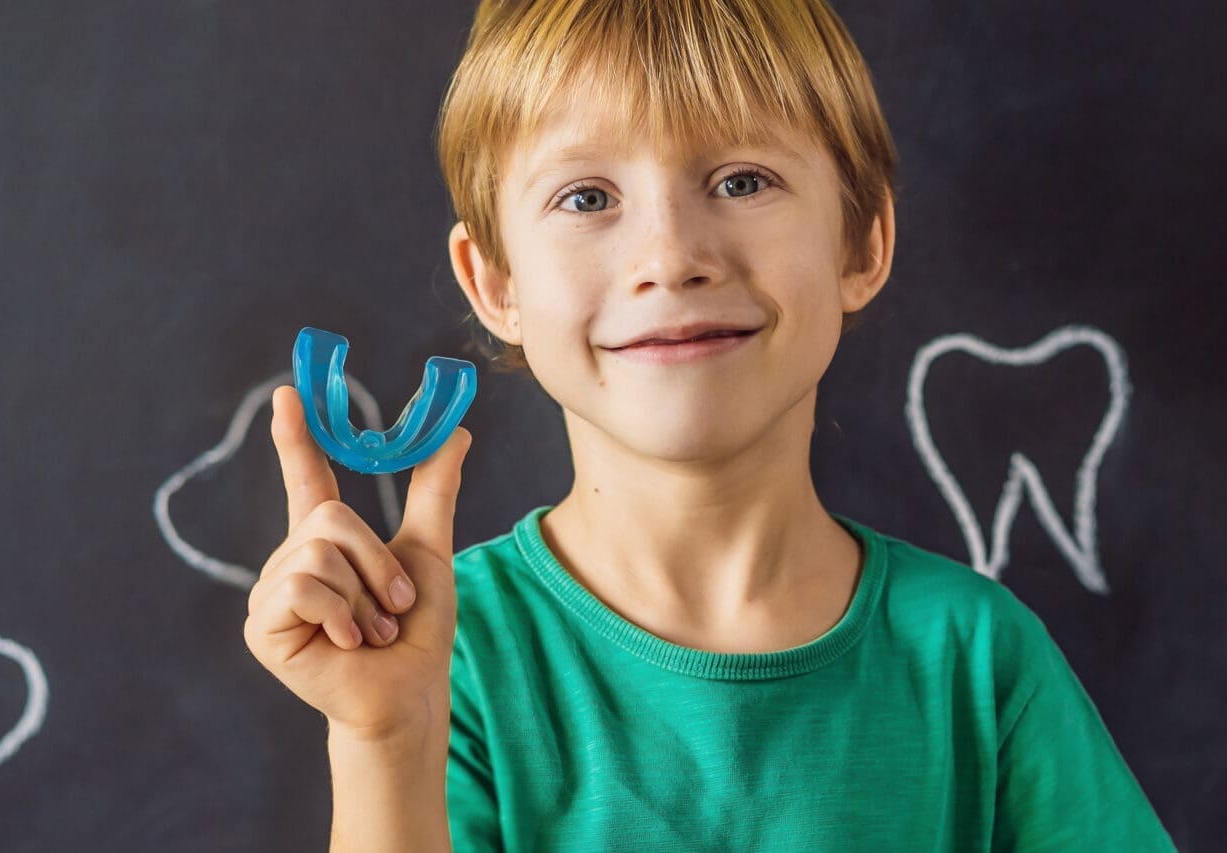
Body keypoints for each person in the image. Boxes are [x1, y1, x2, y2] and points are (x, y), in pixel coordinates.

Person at [242, 1, 1174, 849]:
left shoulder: (975, 658)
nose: (671, 257)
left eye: (740, 181)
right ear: (495, 282)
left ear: (862, 244)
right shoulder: (447, 657)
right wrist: (385, 742)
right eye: (587, 198)